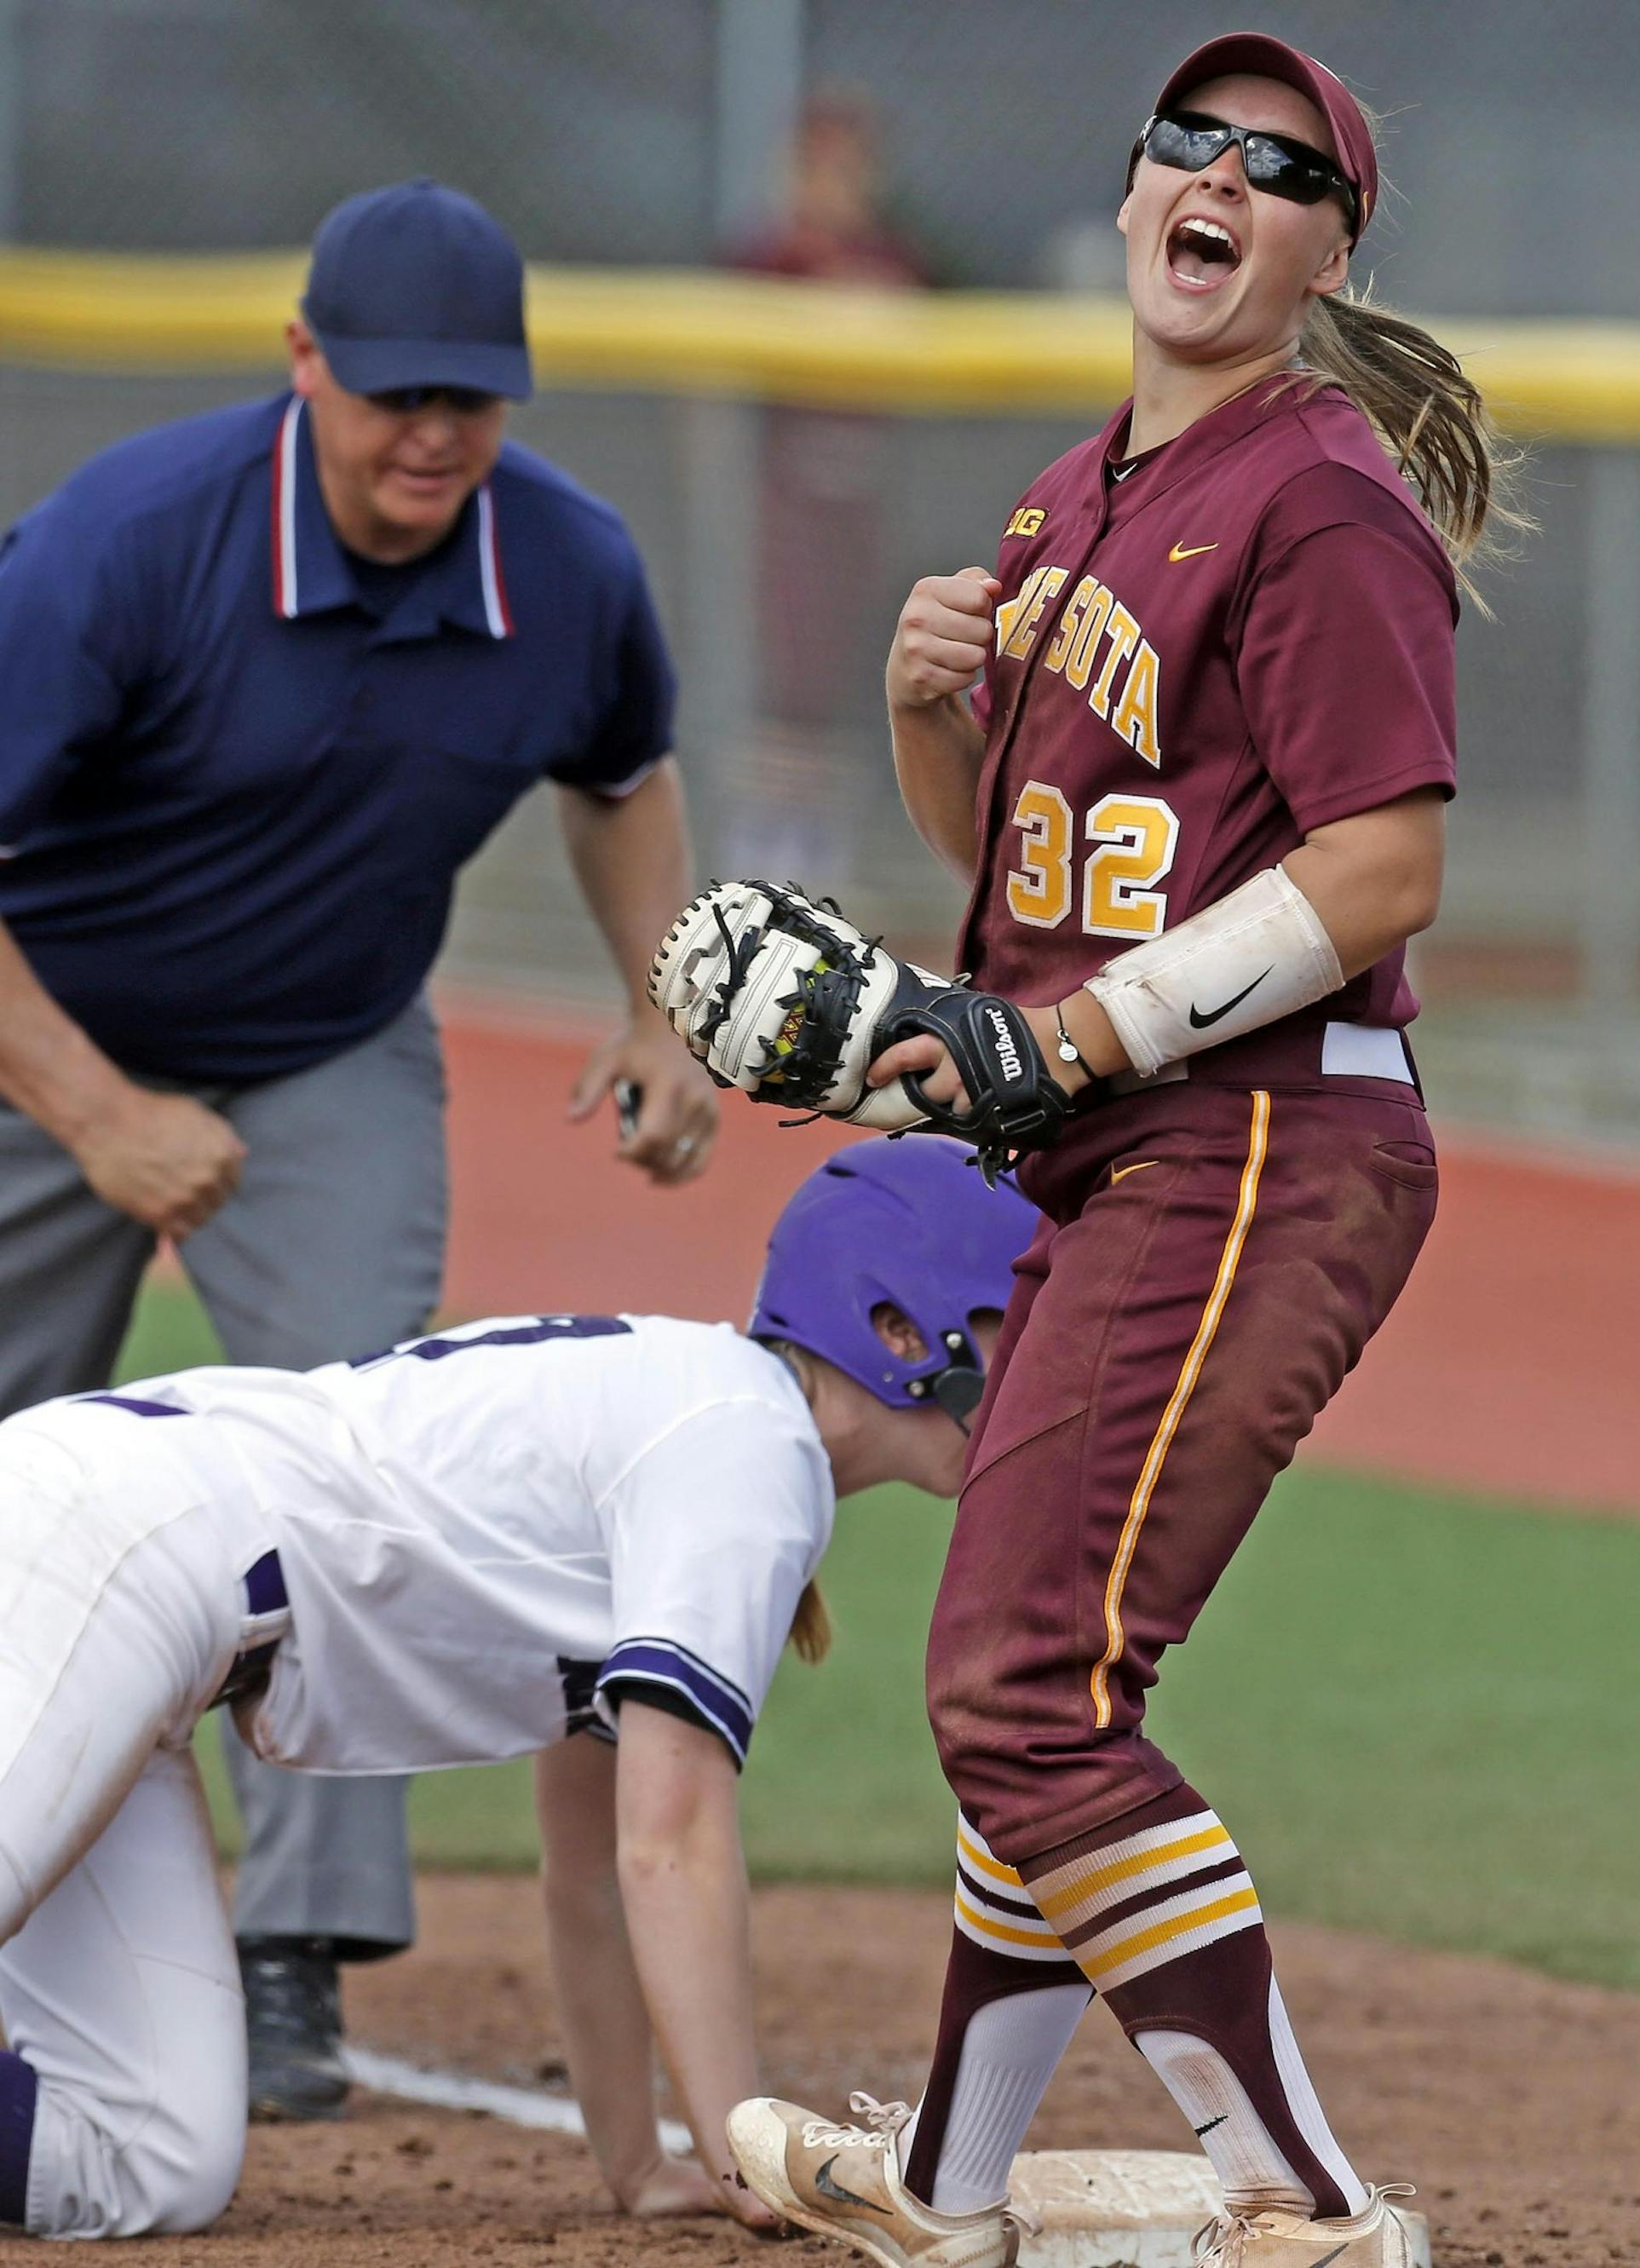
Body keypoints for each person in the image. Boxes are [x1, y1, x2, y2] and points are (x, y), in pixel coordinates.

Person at [723, 32, 1522, 2268]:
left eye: (1281, 168)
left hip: (1264, 1138)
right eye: (1195, 140)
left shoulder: (1319, 494)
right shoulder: (1064, 506)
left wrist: (1079, 1033)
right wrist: (921, 718)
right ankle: (956, 2185)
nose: (1224, 178)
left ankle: (1303, 2191)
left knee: (1017, 1672)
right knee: (1041, 1671)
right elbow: (1033, 886)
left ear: (1327, 248)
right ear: (1132, 191)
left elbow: (1379, 872)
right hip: (1129, 1139)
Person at [0, 179, 717, 2118]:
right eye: (392, 389)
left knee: (363, 1470)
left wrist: (663, 1003)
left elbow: (624, 775)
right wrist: (91, 1110)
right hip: (37, 1036)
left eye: (471, 400)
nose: (430, 435)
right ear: (304, 360)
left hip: (325, 1047)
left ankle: (293, 1951)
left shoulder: (564, 568)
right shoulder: (125, 546)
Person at [0, 1137, 1033, 2240]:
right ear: (899, 1329)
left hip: (146, 1608)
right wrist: (752, 2151)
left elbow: (591, 1867)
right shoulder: (747, 1449)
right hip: (110, 1539)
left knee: (146, 2155)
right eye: (1013, 1326)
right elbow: (670, 1844)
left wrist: (641, 2161)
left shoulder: (716, 1441)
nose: (1042, 1366)